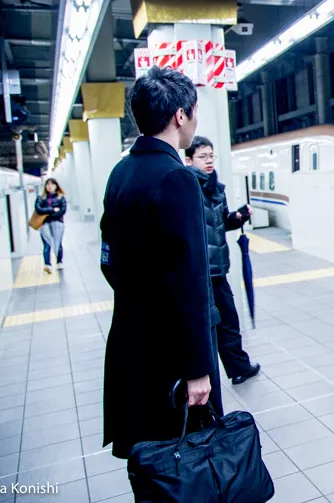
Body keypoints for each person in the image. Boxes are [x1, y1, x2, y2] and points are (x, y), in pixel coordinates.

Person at [100, 66, 221, 460]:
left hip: (130, 342)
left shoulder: (121, 172)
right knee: (182, 464)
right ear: (180, 116)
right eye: (195, 111)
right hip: (171, 356)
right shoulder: (177, 178)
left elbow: (109, 261)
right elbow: (190, 283)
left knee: (147, 461)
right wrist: (198, 367)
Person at [185, 135, 261, 385]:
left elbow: (220, 223)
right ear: (189, 159)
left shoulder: (216, 188)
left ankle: (238, 367)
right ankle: (209, 374)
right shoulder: (187, 189)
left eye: (210, 156)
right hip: (199, 273)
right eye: (202, 157)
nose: (208, 161)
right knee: (210, 325)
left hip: (217, 269)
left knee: (228, 321)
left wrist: (238, 217)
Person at [35, 178, 67, 273]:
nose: (50, 186)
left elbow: (62, 211)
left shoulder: (61, 197)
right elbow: (38, 209)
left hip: (57, 224)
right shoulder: (41, 197)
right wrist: (52, 210)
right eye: (48, 184)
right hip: (44, 225)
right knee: (46, 244)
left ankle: (59, 261)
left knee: (58, 243)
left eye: (52, 184)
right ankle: (47, 264)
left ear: (56, 186)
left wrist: (48, 213)